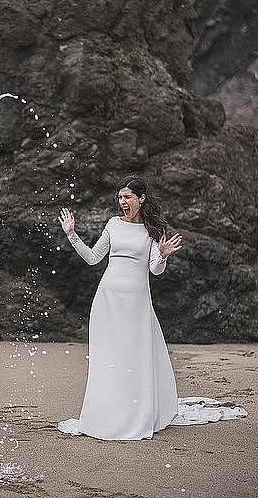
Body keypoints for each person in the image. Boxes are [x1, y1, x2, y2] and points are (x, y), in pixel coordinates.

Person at [58, 174, 182, 440]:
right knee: (110, 358)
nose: (122, 201)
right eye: (120, 197)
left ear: (141, 199)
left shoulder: (153, 231)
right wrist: (72, 235)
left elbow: (155, 270)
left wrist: (162, 255)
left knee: (135, 357)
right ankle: (108, 412)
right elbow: (93, 258)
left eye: (127, 197)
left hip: (137, 304)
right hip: (108, 301)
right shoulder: (113, 224)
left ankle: (137, 412)